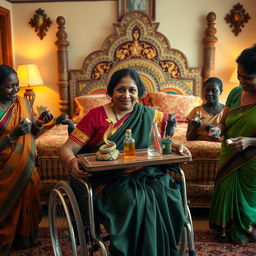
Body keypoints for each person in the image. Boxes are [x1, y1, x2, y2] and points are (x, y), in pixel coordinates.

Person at [60, 68, 191, 256]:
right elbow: (67, 149)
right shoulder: (95, 116)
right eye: (120, 90)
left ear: (139, 93)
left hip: (146, 173)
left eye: (132, 90)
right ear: (111, 92)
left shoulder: (149, 115)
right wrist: (71, 161)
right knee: (131, 200)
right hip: (108, 179)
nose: (126, 95)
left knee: (168, 192)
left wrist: (176, 145)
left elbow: (157, 141)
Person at [0, 65, 53, 254]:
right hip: (4, 167)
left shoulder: (22, 102)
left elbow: (32, 134)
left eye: (17, 85)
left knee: (29, 195)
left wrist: (40, 123)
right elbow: (15, 135)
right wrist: (13, 135)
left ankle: (25, 239)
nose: (16, 90)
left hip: (25, 165)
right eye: (10, 86)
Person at [209, 45, 256, 244]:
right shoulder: (236, 93)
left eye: (248, 78)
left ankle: (245, 232)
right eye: (239, 76)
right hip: (228, 152)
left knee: (247, 198)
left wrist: (249, 141)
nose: (241, 81)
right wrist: (218, 129)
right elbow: (223, 120)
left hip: (251, 158)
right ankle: (224, 230)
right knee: (224, 190)